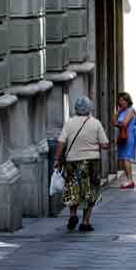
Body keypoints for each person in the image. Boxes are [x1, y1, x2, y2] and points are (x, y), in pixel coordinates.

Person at [54, 97, 110, 232]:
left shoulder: (69, 123)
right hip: (91, 162)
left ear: (76, 109)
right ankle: (85, 222)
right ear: (90, 108)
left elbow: (61, 142)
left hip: (72, 161)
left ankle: (73, 215)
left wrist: (56, 159)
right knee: (90, 190)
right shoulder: (95, 123)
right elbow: (105, 144)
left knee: (72, 188)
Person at [113, 92, 136, 189]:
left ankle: (130, 180)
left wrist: (117, 123)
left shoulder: (131, 110)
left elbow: (124, 124)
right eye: (120, 100)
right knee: (123, 158)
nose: (121, 102)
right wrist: (118, 112)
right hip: (122, 136)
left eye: (123, 100)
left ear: (128, 101)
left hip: (129, 136)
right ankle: (129, 179)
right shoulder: (122, 111)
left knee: (126, 158)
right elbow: (113, 121)